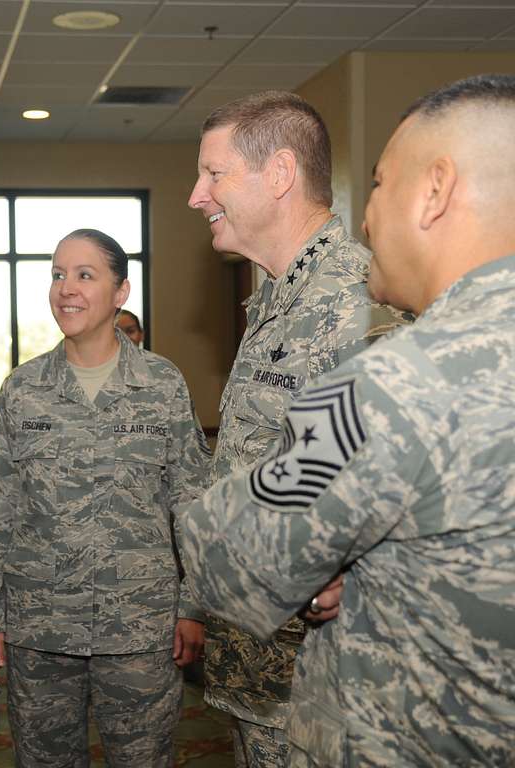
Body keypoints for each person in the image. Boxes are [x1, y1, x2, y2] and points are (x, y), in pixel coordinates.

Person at [178, 73, 515, 766]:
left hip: (353, 704)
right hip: (280, 670)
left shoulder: (371, 319)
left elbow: (233, 552)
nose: (366, 213)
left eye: (383, 183)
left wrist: (329, 559)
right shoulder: (274, 298)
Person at [186, 91, 408, 767]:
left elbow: (410, 487)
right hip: (262, 675)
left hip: (326, 694)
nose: (197, 196)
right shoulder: (276, 302)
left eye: (213, 174)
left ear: (279, 174)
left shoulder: (359, 305)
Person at [0, 229, 211, 767]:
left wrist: (194, 605)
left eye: (84, 275)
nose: (65, 289)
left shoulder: (162, 384)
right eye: (57, 274)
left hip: (141, 628)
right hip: (39, 627)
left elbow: (192, 499)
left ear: (121, 291)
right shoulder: (23, 389)